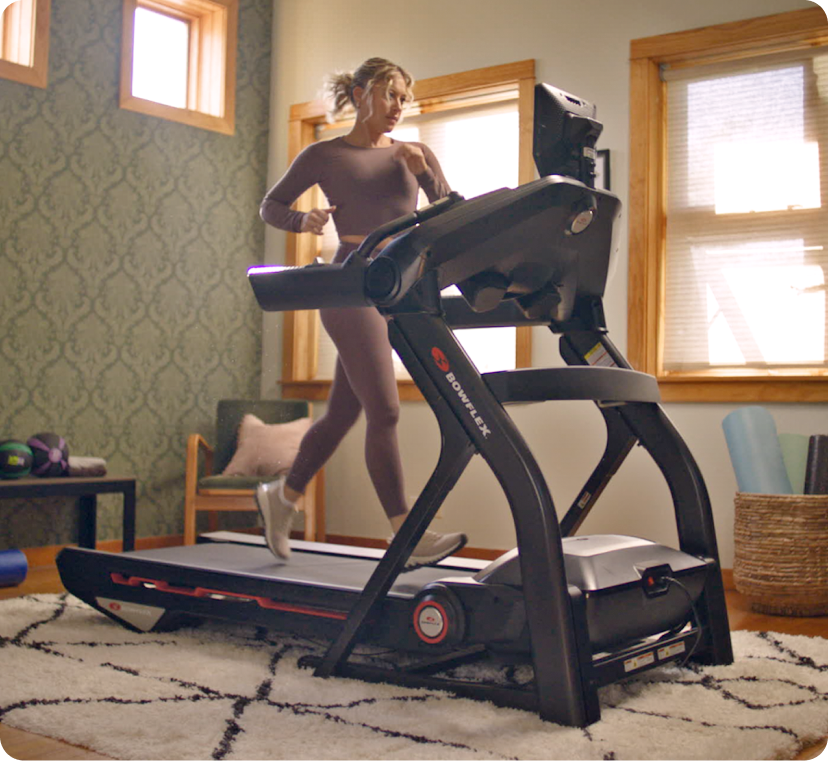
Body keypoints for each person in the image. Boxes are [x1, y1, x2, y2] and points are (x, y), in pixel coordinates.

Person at [255, 57, 467, 569]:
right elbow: (271, 206)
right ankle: (406, 534)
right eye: (390, 94)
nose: (398, 107)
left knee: (344, 413)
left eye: (404, 99)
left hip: (400, 288)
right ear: (361, 93)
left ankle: (282, 496)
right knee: (386, 411)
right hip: (350, 284)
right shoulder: (324, 155)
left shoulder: (414, 153)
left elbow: (451, 211)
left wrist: (424, 173)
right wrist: (304, 220)